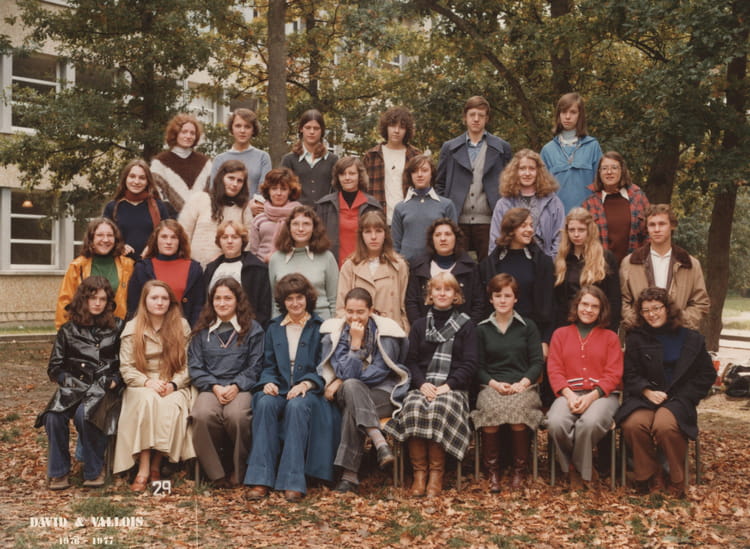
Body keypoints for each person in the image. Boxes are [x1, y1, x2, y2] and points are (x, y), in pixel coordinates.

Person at [244, 274, 340, 502]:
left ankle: (292, 481)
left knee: (297, 406)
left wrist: (306, 383)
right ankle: (261, 478)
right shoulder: (274, 327)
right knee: (265, 403)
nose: (295, 303)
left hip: (310, 391)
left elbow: (324, 366)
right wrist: (268, 382)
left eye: (299, 297)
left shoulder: (320, 327)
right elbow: (268, 364)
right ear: (282, 302)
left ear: (308, 299)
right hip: (280, 388)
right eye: (289, 299)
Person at [384, 272, 478, 498]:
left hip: (453, 388)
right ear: (430, 294)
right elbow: (411, 361)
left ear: (456, 295)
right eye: (437, 289)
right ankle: (420, 473)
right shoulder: (418, 326)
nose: (442, 294)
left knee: (438, 409)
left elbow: (470, 363)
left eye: (448, 289)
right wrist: (422, 383)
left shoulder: (466, 326)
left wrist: (449, 385)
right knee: (413, 409)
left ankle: (436, 474)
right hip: (423, 385)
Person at [615, 287, 715, 498]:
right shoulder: (636, 338)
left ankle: (676, 478)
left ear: (667, 308)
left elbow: (706, 375)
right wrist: (646, 390)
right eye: (645, 310)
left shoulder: (691, 338)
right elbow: (629, 373)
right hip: (645, 397)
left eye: (656, 308)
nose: (651, 314)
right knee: (633, 424)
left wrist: (685, 396)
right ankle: (651, 475)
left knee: (664, 425)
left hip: (678, 398)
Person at [37, 276, 125, 490]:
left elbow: (127, 363)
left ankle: (94, 469)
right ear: (83, 300)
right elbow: (55, 366)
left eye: (102, 299)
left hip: (103, 388)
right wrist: (66, 380)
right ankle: (59, 472)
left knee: (85, 415)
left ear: (108, 302)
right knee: (53, 417)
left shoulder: (118, 326)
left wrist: (115, 381)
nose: (97, 303)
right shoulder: (68, 330)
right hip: (73, 387)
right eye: (92, 298)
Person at [319, 287, 410, 493]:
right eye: (350, 311)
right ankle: (380, 443)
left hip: (383, 393)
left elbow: (380, 372)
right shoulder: (338, 333)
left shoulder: (386, 332)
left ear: (371, 311)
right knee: (352, 387)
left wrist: (341, 381)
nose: (354, 317)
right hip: (351, 392)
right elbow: (344, 371)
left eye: (360, 312)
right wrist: (355, 344)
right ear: (344, 310)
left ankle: (349, 477)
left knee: (353, 405)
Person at [114, 280, 194, 490]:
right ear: (145, 301)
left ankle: (157, 466)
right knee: (148, 402)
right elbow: (127, 368)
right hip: (142, 383)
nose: (159, 302)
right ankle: (144, 468)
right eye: (154, 298)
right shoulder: (133, 327)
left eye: (164, 298)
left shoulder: (181, 325)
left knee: (171, 405)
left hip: (172, 382)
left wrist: (174, 385)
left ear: (171, 302)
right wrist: (148, 382)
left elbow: (188, 366)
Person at [470, 274, 544, 491]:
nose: (502, 300)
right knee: (491, 409)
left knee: (518, 410)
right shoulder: (482, 329)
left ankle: (519, 470)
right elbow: (478, 367)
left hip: (523, 386)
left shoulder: (528, 327)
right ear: (491, 299)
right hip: (492, 385)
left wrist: (523, 383)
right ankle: (492, 470)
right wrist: (494, 384)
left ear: (515, 299)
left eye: (507, 295)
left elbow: (537, 362)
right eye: (498, 295)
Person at [188, 278, 264, 487]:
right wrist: (214, 386)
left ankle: (239, 471)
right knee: (202, 415)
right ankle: (216, 474)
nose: (222, 303)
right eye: (217, 298)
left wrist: (236, 385)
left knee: (237, 416)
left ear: (238, 300)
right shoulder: (202, 330)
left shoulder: (253, 329)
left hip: (241, 387)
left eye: (228, 298)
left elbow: (256, 364)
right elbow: (195, 366)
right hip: (211, 387)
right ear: (211, 301)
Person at [546, 286, 623, 489]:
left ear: (601, 310)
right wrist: (569, 395)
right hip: (568, 393)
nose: (588, 310)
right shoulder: (560, 334)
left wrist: (591, 397)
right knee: (555, 422)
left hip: (602, 395)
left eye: (594, 306)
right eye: (584, 304)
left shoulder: (610, 337)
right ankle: (575, 467)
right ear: (576, 305)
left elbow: (614, 374)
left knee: (589, 423)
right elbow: (554, 370)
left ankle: (577, 470)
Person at [435, 95, 512, 262]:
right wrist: (445, 212)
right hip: (457, 220)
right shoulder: (449, 148)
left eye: (481, 115)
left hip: (489, 220)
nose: (476, 119)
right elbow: (440, 183)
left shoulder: (501, 148)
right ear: (465, 117)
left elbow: (509, 184)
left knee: (489, 267)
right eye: (472, 115)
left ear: (487, 118)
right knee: (459, 267)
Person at [620, 204, 709, 330]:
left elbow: (700, 303)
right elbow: (623, 300)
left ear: (672, 226)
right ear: (647, 228)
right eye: (652, 225)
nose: (657, 229)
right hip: (641, 334)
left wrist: (678, 321)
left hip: (678, 333)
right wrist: (639, 322)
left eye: (662, 224)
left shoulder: (690, 264)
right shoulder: (630, 263)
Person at [480, 207, 555, 348]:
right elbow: (483, 305)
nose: (530, 230)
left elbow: (550, 304)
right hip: (498, 337)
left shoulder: (542, 263)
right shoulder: (490, 264)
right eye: (523, 225)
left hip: (531, 337)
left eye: (531, 225)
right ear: (510, 229)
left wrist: (545, 340)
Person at [336, 210, 410, 332]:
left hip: (391, 331)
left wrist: (404, 332)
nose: (373, 237)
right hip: (359, 331)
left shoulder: (398, 265)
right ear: (361, 235)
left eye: (378, 231)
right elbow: (341, 308)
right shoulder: (350, 266)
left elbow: (404, 307)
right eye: (368, 232)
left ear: (386, 234)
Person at [56, 217, 134, 330]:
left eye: (110, 235)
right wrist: (63, 331)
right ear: (91, 239)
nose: (105, 240)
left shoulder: (127, 265)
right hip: (84, 330)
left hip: (117, 330)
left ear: (116, 239)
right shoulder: (78, 266)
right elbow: (65, 301)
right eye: (100, 235)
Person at [406, 218, 484, 326]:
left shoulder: (470, 268)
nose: (443, 239)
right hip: (426, 331)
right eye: (438, 235)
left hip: (462, 332)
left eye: (448, 234)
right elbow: (411, 302)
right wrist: (421, 329)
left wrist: (467, 329)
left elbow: (479, 303)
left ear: (456, 238)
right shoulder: (419, 268)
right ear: (432, 240)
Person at [126, 219, 205, 327]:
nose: (169, 242)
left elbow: (198, 306)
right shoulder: (142, 268)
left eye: (174, 237)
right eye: (164, 237)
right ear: (156, 239)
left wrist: (193, 333)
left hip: (183, 330)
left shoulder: (194, 269)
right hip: (149, 330)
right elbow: (133, 306)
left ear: (180, 241)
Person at [488, 149, 564, 258]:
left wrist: (552, 263)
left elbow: (560, 237)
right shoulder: (503, 204)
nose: (527, 173)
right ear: (515, 172)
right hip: (512, 262)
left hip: (545, 262)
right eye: (522, 168)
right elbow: (495, 240)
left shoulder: (553, 201)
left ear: (539, 172)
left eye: (532, 168)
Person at [554, 208, 620, 331]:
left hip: (599, 325)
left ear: (590, 230)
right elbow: (558, 300)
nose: (576, 234)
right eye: (572, 230)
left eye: (581, 230)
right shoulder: (562, 259)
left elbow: (614, 299)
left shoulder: (605, 257)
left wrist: (610, 330)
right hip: (568, 324)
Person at [268, 205, 338, 320]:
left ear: (314, 228)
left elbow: (334, 299)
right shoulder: (276, 259)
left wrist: (333, 326)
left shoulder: (327, 257)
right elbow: (275, 301)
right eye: (295, 224)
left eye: (306, 224)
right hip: (287, 323)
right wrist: (275, 326)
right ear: (288, 227)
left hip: (321, 322)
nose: (300, 229)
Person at [179, 159, 254, 267]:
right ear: (221, 178)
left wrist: (226, 259)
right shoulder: (199, 199)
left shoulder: (243, 208)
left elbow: (247, 242)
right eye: (231, 178)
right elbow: (183, 233)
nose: (235, 184)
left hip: (226, 269)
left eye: (239, 181)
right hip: (194, 267)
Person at [582, 151, 650, 264]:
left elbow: (649, 233)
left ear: (622, 171)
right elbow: (584, 239)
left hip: (635, 265)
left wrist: (643, 259)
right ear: (599, 173)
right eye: (604, 168)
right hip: (601, 267)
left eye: (614, 168)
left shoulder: (638, 198)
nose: (609, 172)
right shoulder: (590, 203)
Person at [540, 92, 603, 213]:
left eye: (573, 112)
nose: (567, 117)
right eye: (563, 112)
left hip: (587, 217)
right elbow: (541, 192)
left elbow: (602, 185)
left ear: (580, 115)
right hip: (557, 218)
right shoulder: (548, 150)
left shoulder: (592, 146)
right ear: (558, 115)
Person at [203, 220, 272, 328]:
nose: (229, 241)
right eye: (225, 237)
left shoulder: (256, 269)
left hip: (246, 329)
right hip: (214, 328)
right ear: (219, 241)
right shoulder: (211, 269)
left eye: (235, 237)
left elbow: (264, 308)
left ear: (242, 241)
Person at [315, 156, 382, 266]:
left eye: (352, 173)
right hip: (332, 266)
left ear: (360, 175)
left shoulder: (372, 206)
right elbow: (316, 239)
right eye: (342, 174)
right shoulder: (325, 205)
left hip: (365, 266)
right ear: (337, 177)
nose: (347, 178)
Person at [392, 154, 458, 263]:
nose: (419, 175)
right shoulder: (400, 207)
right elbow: (395, 244)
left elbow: (453, 240)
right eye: (415, 171)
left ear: (432, 173)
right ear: (410, 175)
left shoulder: (446, 205)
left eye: (424, 170)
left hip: (436, 265)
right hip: (407, 265)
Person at [362, 106, 422, 222]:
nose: (396, 131)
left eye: (402, 127)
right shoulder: (372, 155)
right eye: (393, 125)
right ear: (386, 127)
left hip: (408, 219)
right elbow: (363, 190)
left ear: (407, 130)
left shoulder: (415, 156)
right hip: (378, 219)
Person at [103, 159, 172, 259]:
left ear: (147, 181)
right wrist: (119, 246)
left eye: (142, 178)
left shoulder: (158, 206)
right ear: (125, 178)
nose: (136, 181)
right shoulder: (112, 207)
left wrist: (153, 247)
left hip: (151, 263)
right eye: (132, 176)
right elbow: (103, 237)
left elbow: (169, 235)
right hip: (121, 263)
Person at [210, 108, 271, 214]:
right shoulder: (220, 159)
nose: (242, 130)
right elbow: (214, 191)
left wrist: (253, 207)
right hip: (225, 215)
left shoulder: (263, 157)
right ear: (232, 128)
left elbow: (264, 190)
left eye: (247, 126)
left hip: (255, 215)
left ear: (253, 130)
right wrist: (243, 209)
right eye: (238, 126)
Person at [150, 113, 212, 213]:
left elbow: (212, 194)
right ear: (175, 134)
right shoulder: (160, 163)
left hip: (201, 217)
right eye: (184, 132)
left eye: (192, 133)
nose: (188, 136)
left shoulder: (205, 163)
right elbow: (155, 197)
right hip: (170, 218)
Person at [281, 109, 339, 206]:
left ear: (322, 131)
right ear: (301, 129)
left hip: (325, 212)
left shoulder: (332, 160)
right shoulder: (289, 159)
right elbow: (282, 189)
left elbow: (336, 191)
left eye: (316, 128)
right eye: (308, 127)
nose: (312, 132)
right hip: (296, 212)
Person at [248, 168, 303, 263]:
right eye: (274, 188)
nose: (278, 193)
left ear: (290, 191)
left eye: (283, 189)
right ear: (268, 191)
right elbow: (253, 250)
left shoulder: (299, 216)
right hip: (261, 265)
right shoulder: (259, 219)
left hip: (290, 265)